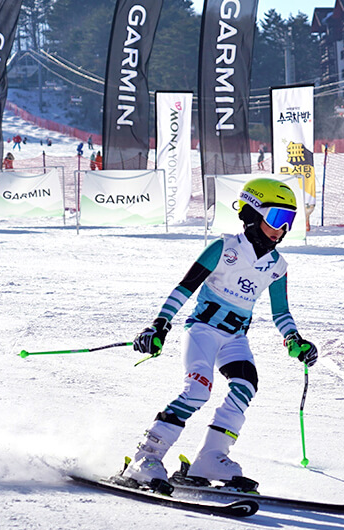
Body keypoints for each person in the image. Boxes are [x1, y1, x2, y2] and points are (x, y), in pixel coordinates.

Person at [120, 178, 317, 491]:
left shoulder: (278, 265)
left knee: (245, 386)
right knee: (197, 391)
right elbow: (185, 288)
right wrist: (160, 324)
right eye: (277, 218)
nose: (281, 230)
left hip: (235, 339)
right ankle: (147, 458)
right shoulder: (224, 248)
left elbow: (281, 313)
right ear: (253, 214)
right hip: (202, 332)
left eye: (288, 222)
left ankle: (211, 457)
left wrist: (295, 340)